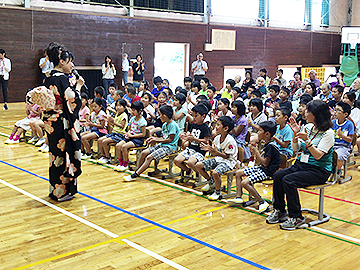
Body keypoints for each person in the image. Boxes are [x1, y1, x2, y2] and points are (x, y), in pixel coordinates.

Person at [266, 100, 334, 230]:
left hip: (319, 170)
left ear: (317, 115)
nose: (305, 113)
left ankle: (297, 217)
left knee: (289, 180)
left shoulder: (328, 133)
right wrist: (295, 136)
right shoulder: (308, 127)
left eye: (308, 111)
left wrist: (307, 141)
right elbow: (296, 149)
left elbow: (318, 155)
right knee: (279, 175)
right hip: (302, 164)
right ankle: (280, 210)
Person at [42, 42, 83, 202]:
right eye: (70, 61)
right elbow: (73, 101)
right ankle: (62, 192)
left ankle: (55, 190)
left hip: (51, 121)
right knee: (64, 155)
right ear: (62, 61)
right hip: (62, 122)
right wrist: (78, 87)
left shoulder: (48, 78)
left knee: (55, 156)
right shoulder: (62, 79)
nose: (72, 65)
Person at [227, 121, 281, 213]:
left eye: (260, 131)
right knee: (239, 172)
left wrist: (256, 152)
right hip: (262, 168)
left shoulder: (271, 146)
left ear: (267, 134)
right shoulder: (267, 144)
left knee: (245, 183)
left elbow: (265, 163)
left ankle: (262, 202)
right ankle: (239, 197)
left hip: (268, 172)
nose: (258, 133)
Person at [123, 105, 180, 182]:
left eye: (160, 114)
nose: (159, 117)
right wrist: (154, 139)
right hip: (162, 145)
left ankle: (135, 175)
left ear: (165, 115)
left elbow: (170, 139)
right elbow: (164, 138)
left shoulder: (173, 125)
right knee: (144, 152)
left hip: (170, 147)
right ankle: (137, 170)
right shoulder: (164, 125)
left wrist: (156, 140)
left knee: (149, 157)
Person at [196, 116, 238, 201]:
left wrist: (215, 151)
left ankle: (217, 192)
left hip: (229, 162)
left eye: (218, 125)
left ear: (226, 128)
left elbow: (227, 156)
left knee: (215, 172)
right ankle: (211, 182)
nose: (215, 126)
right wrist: (210, 150)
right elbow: (215, 154)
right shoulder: (217, 138)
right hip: (219, 158)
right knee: (198, 165)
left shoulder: (230, 141)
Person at [175, 103, 211, 177]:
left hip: (200, 151)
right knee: (177, 160)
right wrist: (186, 136)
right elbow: (190, 134)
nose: (194, 118)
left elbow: (206, 141)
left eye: (196, 116)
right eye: (193, 115)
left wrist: (194, 139)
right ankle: (188, 170)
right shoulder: (194, 125)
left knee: (190, 163)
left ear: (203, 116)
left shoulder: (205, 127)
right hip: (190, 149)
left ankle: (201, 174)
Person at [115, 101, 147, 171]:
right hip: (131, 137)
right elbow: (130, 129)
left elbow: (143, 134)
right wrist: (128, 133)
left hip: (138, 139)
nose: (132, 112)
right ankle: (121, 163)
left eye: (134, 110)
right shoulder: (132, 119)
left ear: (140, 110)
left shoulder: (142, 121)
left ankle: (125, 164)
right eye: (131, 110)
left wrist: (132, 136)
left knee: (124, 147)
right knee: (118, 145)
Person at [97, 99, 128, 164]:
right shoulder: (117, 114)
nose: (118, 107)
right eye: (117, 105)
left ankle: (107, 157)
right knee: (100, 140)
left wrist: (113, 122)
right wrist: (109, 121)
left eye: (120, 106)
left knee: (105, 141)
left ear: (125, 107)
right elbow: (114, 125)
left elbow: (122, 126)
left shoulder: (124, 115)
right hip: (114, 133)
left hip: (120, 135)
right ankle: (104, 155)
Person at [332, 102, 354, 176]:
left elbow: (350, 139)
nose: (335, 112)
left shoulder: (349, 124)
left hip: (344, 146)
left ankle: (338, 171)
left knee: (338, 155)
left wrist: (342, 136)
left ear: (345, 114)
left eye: (338, 110)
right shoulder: (333, 122)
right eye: (335, 109)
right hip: (332, 145)